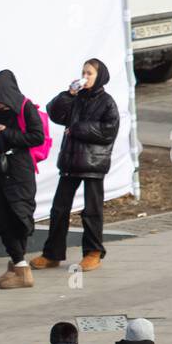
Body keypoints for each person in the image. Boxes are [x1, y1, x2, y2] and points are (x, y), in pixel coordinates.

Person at [33, 58, 120, 274]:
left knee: (91, 211)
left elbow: (109, 130)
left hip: (93, 163)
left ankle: (93, 252)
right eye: (84, 72)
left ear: (99, 76)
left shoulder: (107, 102)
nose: (85, 76)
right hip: (71, 162)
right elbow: (54, 113)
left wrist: (78, 128)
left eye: (89, 73)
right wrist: (68, 94)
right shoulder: (77, 98)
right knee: (59, 209)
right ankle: (52, 254)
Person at [0, 69, 44, 290]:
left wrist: (6, 134)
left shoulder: (25, 108)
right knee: (1, 217)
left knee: (18, 218)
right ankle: (17, 265)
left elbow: (37, 137)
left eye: (0, 102)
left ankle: (21, 268)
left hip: (19, 173)